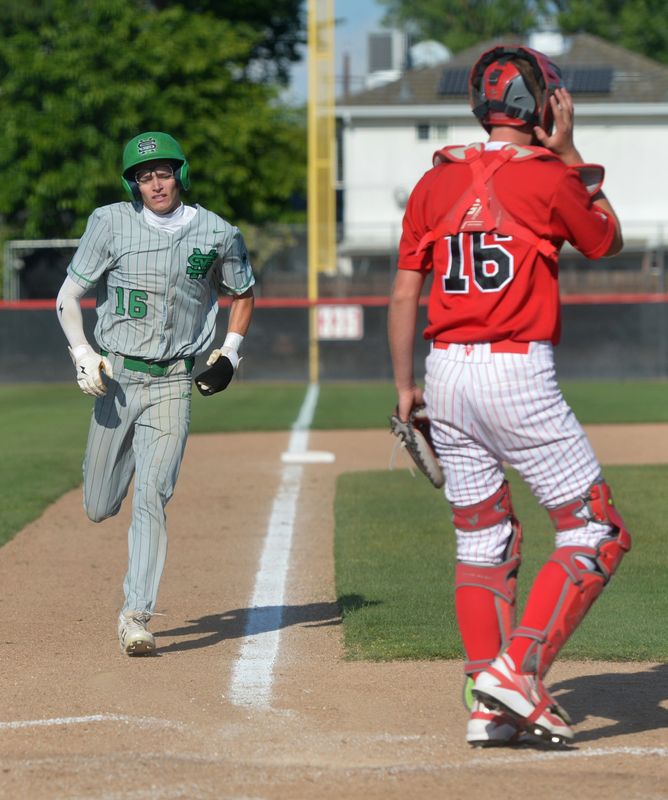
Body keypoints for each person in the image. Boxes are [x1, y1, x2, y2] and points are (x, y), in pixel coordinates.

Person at [388, 45, 631, 746]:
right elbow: (606, 240)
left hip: (445, 371)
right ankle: (517, 671)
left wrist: (406, 386)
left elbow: (406, 290)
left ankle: (486, 704)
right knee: (597, 530)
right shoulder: (552, 176)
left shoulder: (433, 183)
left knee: (483, 536)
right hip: (515, 372)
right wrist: (572, 147)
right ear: (544, 106)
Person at [56, 131, 255, 656]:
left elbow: (243, 292)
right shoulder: (109, 223)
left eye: (163, 172)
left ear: (180, 175)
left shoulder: (217, 232)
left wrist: (230, 352)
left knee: (154, 494)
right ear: (132, 183)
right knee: (99, 505)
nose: (155, 182)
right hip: (117, 377)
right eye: (144, 176)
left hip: (172, 380)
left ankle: (135, 615)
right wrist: (82, 353)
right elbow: (69, 295)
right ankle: (112, 486)